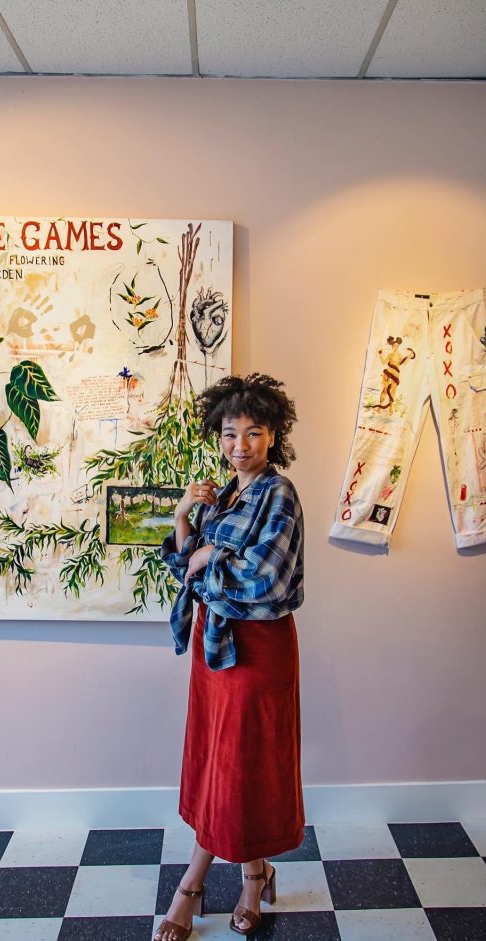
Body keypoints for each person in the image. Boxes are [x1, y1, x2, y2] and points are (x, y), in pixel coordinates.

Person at [156, 373, 305, 941]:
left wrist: (206, 561)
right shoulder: (225, 494)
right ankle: (254, 872)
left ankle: (193, 883)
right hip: (214, 642)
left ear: (273, 436)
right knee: (219, 757)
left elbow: (264, 580)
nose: (240, 445)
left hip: (258, 647)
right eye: (229, 433)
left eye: (253, 433)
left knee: (242, 764)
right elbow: (187, 567)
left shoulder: (279, 493)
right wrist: (183, 521)